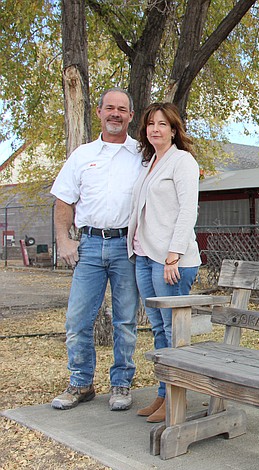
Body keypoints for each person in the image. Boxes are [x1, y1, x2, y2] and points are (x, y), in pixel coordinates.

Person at [50, 87, 143, 411]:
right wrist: (64, 239)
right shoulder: (82, 155)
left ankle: (121, 384)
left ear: (131, 116)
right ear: (99, 112)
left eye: (122, 109)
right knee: (77, 320)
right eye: (109, 108)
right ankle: (81, 384)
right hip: (88, 247)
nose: (115, 114)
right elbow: (64, 200)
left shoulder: (142, 156)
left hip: (125, 248)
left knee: (125, 321)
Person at [127, 102, 201, 422]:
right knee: (158, 330)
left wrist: (174, 254)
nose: (155, 129)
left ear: (173, 130)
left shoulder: (181, 161)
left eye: (162, 124)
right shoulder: (150, 164)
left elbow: (188, 210)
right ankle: (162, 395)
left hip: (171, 261)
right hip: (144, 257)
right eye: (150, 124)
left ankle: (176, 400)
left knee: (173, 332)